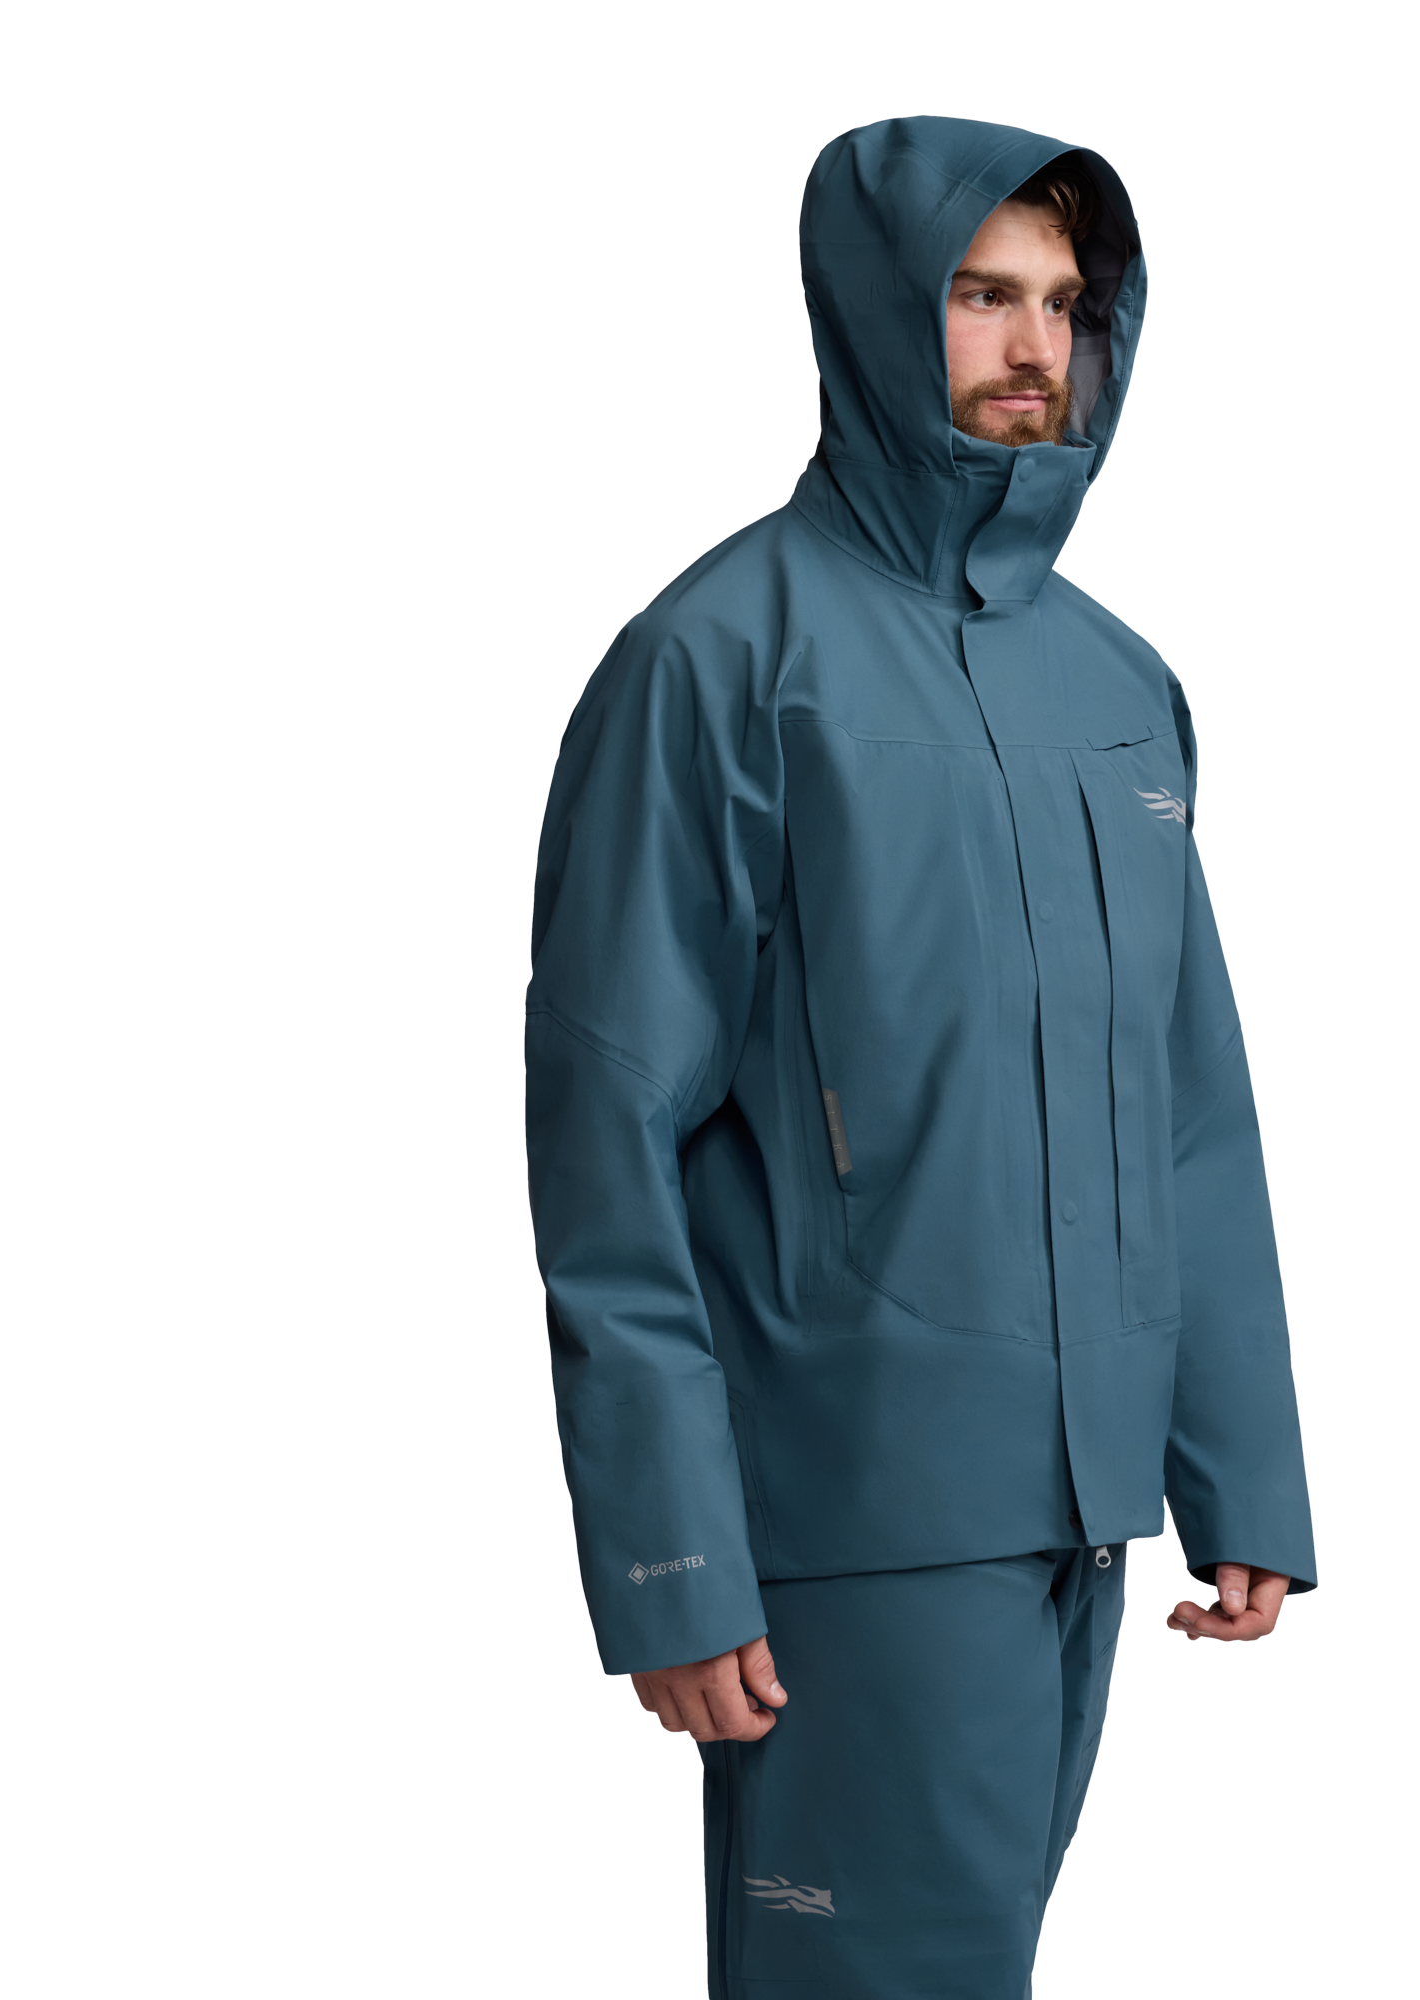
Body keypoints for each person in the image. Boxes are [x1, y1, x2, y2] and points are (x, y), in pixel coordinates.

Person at [525, 115, 1317, 1999]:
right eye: (982, 295)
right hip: (855, 1506)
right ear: (879, 309)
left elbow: (1189, 1106)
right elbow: (608, 1127)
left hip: (1088, 1515)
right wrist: (671, 1558)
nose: (1035, 345)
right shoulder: (720, 661)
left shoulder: (1116, 686)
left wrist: (1243, 1478)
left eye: (1064, 302)